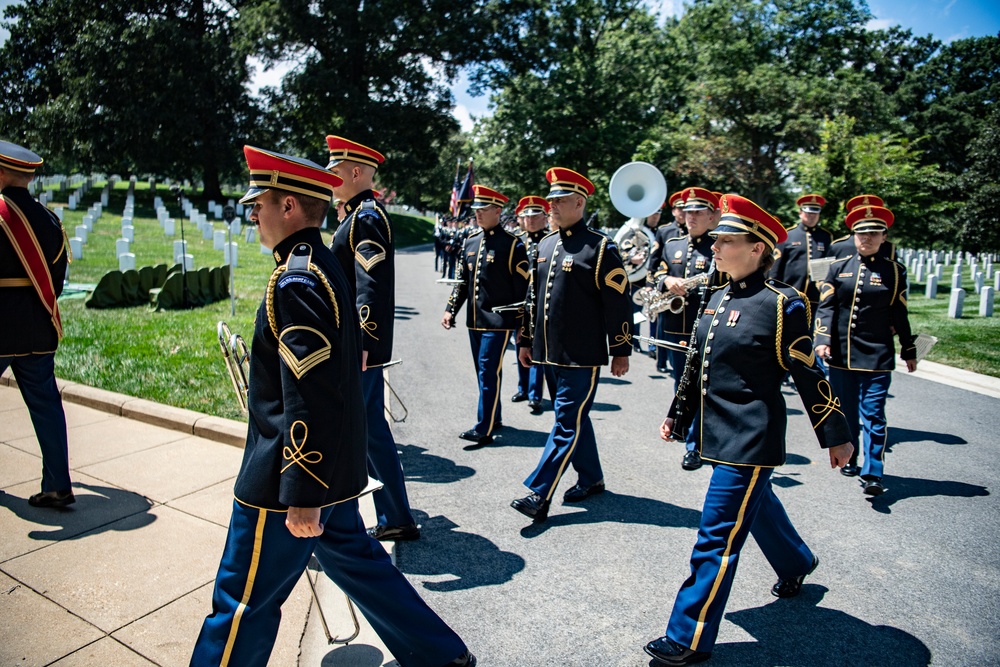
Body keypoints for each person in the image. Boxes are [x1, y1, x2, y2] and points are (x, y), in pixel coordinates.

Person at [191, 146, 475, 667]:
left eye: (262, 203)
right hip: (332, 469)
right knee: (358, 561)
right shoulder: (317, 264)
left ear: (290, 208)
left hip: (288, 477)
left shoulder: (295, 279)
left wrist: (302, 493)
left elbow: (311, 394)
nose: (254, 213)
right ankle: (440, 655)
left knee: (241, 601)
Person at [644, 193, 854, 667]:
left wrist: (835, 433)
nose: (714, 246)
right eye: (715, 239)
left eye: (726, 240)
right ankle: (798, 561)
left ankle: (687, 637)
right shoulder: (717, 297)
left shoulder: (783, 305)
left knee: (716, 535)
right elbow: (697, 364)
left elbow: (808, 375)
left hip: (752, 437)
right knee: (754, 509)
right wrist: (678, 414)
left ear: (757, 248)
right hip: (716, 432)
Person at [512, 167, 633, 522]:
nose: (551, 205)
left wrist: (621, 349)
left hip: (582, 354)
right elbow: (532, 300)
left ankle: (539, 493)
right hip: (549, 352)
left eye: (559, 200)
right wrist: (525, 341)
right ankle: (592, 477)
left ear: (579, 202)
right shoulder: (546, 244)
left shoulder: (600, 247)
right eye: (550, 200)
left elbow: (619, 301)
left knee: (566, 421)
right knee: (575, 418)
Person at [325, 135, 419, 542]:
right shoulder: (357, 214)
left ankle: (340, 523)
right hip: (354, 345)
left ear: (357, 172)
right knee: (369, 432)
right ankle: (395, 515)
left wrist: (364, 342)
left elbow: (371, 284)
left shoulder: (365, 217)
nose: (328, 177)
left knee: (353, 431)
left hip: (357, 347)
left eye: (335, 171)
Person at [814, 205, 916, 495]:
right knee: (845, 412)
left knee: (874, 414)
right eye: (861, 233)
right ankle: (851, 456)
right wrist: (822, 339)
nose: (866, 238)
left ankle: (874, 471)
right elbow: (827, 308)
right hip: (842, 355)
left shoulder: (895, 272)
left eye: (873, 233)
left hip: (877, 356)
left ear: (884, 237)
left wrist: (908, 350)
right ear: (853, 235)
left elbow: (900, 313)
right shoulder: (838, 267)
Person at [0, 141, 72, 508]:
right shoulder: (50, 219)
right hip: (38, 325)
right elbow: (57, 281)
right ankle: (58, 484)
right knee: (46, 405)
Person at [441, 185, 529, 445]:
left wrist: (522, 326)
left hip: (500, 322)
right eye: (476, 210)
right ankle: (494, 416)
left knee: (488, 371)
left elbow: (522, 290)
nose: (478, 214)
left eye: (484, 209)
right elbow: (462, 282)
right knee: (483, 373)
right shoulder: (470, 241)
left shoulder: (513, 245)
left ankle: (484, 428)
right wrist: (450, 309)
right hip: (475, 320)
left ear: (498, 211)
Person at [651, 187, 724, 471]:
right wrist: (666, 280)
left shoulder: (720, 245)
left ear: (711, 215)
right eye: (688, 212)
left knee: (703, 385)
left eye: (698, 212)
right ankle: (685, 428)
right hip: (675, 326)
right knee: (681, 382)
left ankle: (696, 445)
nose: (691, 217)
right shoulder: (673, 244)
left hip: (706, 327)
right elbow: (653, 270)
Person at [511, 195, 551, 414]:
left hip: (538, 304)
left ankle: (536, 394)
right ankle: (523, 387)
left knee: (536, 347)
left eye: (535, 215)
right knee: (520, 344)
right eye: (527, 216)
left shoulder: (550, 239)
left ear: (545, 218)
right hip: (519, 304)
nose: (531, 220)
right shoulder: (517, 241)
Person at [770, 194, 832, 315]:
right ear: (800, 213)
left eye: (815, 213)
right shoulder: (788, 235)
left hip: (815, 296)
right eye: (808, 213)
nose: (812, 216)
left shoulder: (825, 236)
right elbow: (776, 267)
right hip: (791, 293)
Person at [647, 190, 687, 372]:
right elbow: (654, 260)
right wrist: (651, 285)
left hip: (687, 287)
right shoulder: (665, 231)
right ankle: (661, 360)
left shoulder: (693, 231)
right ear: (673, 211)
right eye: (679, 209)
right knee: (662, 326)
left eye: (685, 209)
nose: (683, 212)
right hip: (667, 286)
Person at [830, 195, 897, 261]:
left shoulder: (888, 247)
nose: (865, 214)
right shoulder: (838, 246)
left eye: (871, 210)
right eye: (859, 213)